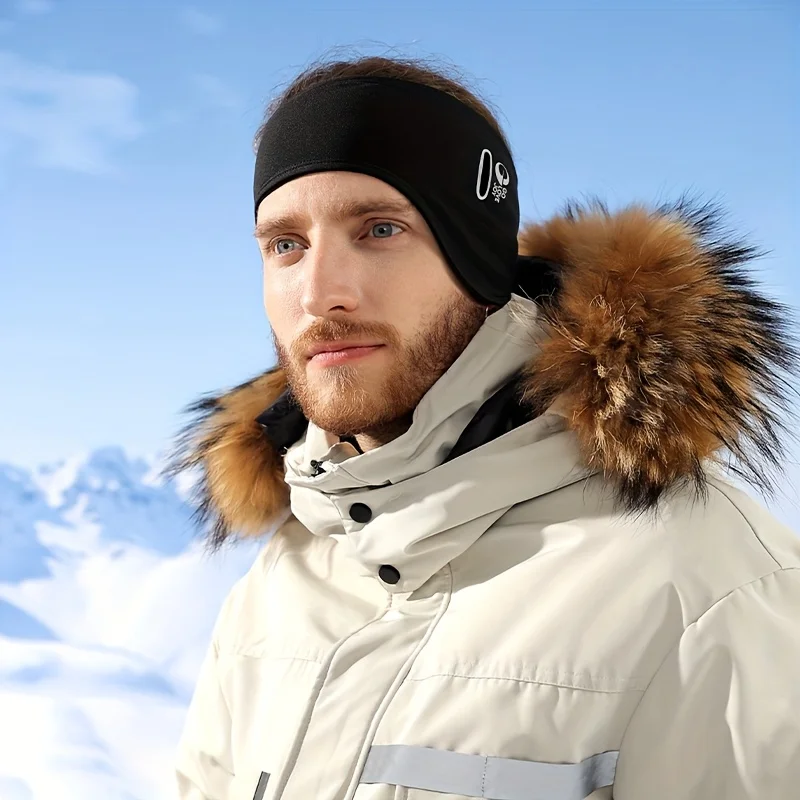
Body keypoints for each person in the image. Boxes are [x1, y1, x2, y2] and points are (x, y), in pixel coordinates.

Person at [168, 54, 800, 800]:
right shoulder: (292, 566)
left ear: (478, 258)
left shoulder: (710, 594)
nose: (318, 293)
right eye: (285, 244)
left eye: (379, 229)